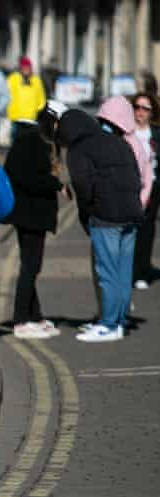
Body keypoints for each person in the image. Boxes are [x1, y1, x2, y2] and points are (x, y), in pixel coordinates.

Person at [57, 110, 143, 343]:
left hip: (106, 216)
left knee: (106, 272)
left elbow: (83, 186)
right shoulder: (118, 142)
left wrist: (88, 214)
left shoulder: (78, 149)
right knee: (124, 271)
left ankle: (108, 325)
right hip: (131, 213)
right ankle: (121, 320)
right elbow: (137, 175)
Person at [3, 104, 69, 339]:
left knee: (31, 264)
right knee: (31, 265)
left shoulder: (37, 139)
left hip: (30, 213)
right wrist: (57, 185)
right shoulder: (34, 141)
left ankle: (35, 315)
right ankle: (21, 319)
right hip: (29, 213)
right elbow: (27, 176)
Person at [132, 92, 160, 289]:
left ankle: (142, 271)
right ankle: (130, 271)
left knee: (147, 228)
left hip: (153, 187)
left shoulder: (156, 134)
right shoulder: (126, 132)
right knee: (129, 229)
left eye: (145, 108)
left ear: (151, 113)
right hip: (130, 187)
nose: (140, 112)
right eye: (137, 107)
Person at [6, 57, 47, 127]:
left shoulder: (36, 80)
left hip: (32, 120)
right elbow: (5, 96)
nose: (26, 69)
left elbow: (41, 99)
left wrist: (39, 112)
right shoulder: (12, 79)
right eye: (24, 67)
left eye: (28, 67)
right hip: (15, 119)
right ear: (20, 68)